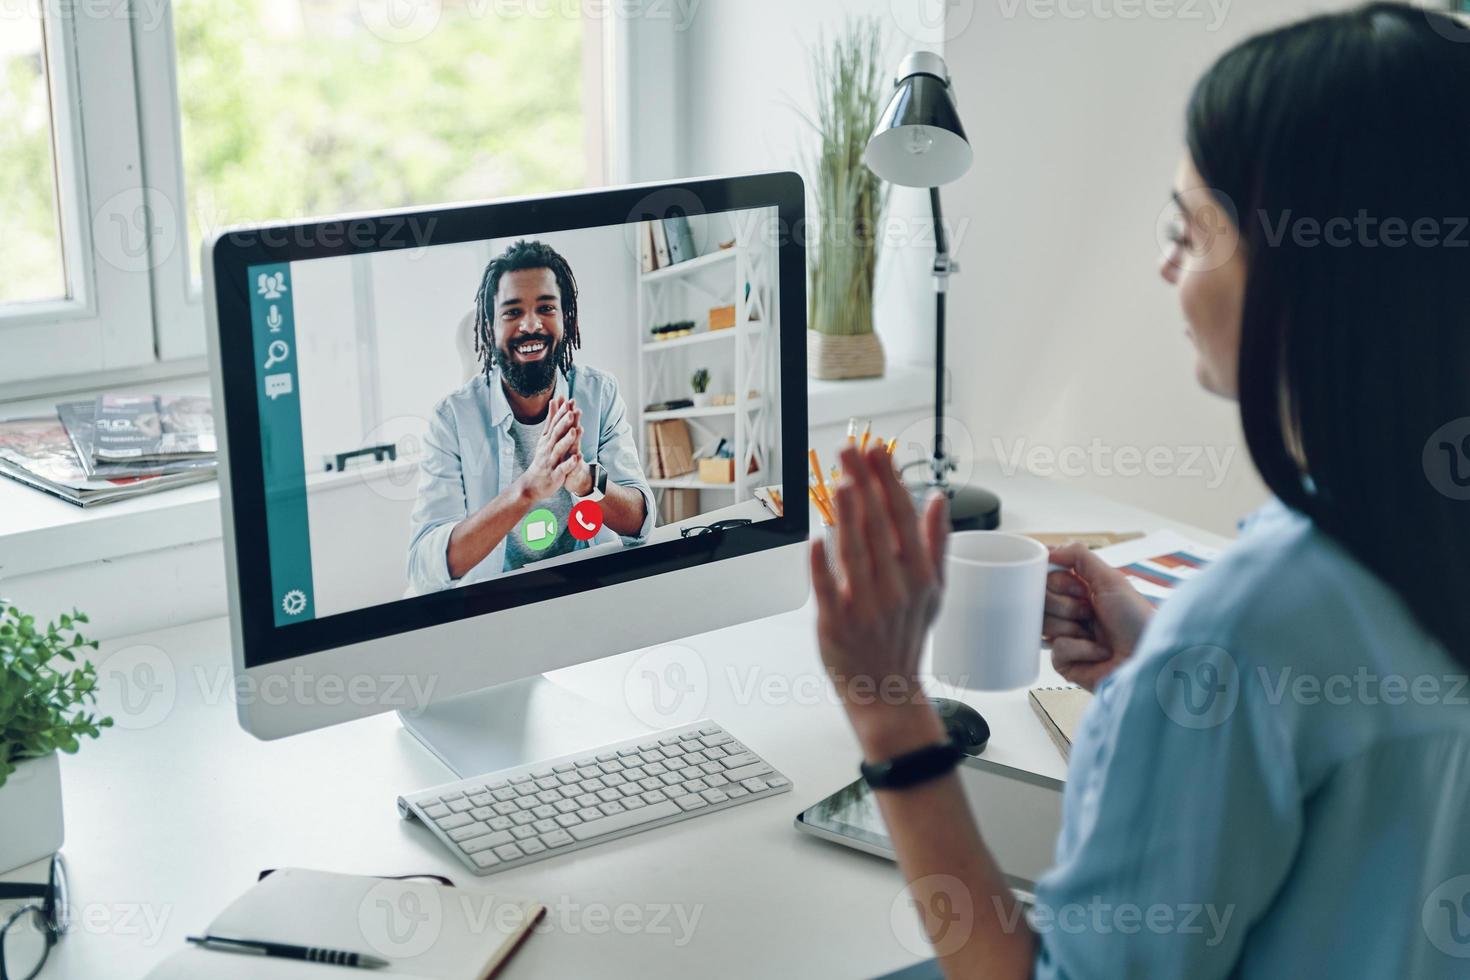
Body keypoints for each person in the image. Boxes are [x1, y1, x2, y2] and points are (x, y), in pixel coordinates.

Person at [810, 5, 1470, 976]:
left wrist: (890, 711)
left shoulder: (1249, 624)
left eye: (1186, 230)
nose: (1165, 263)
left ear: (1309, 272)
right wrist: (1165, 679)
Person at [408, 240, 654, 593]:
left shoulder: (600, 393)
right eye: (512, 312)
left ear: (565, 319)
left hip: (587, 591)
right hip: (495, 606)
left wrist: (585, 481)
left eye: (546, 307)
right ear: (489, 326)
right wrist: (526, 489)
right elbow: (425, 565)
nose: (530, 324)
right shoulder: (451, 419)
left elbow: (640, 523)